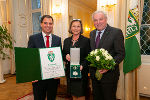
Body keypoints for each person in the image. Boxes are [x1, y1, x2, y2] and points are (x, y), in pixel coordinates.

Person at [89, 11, 125, 100]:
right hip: (95, 76)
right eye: (95, 20)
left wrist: (108, 66)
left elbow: (121, 54)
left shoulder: (116, 32)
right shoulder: (92, 33)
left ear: (106, 19)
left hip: (109, 76)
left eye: (100, 19)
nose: (98, 22)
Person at [28, 15, 61, 100]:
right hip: (38, 77)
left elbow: (59, 57)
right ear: (41, 24)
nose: (48, 25)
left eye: (50, 23)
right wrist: (32, 75)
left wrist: (59, 72)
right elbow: (30, 58)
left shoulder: (57, 39)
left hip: (53, 78)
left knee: (52, 98)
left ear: (53, 25)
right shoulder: (33, 38)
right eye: (45, 23)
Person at [62, 19, 90, 100]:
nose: (76, 28)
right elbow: (63, 54)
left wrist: (83, 65)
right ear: (70, 28)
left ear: (81, 28)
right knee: (73, 94)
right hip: (70, 72)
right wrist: (66, 56)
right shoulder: (66, 41)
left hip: (81, 72)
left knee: (81, 94)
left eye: (78, 26)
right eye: (74, 26)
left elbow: (89, 56)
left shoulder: (86, 40)